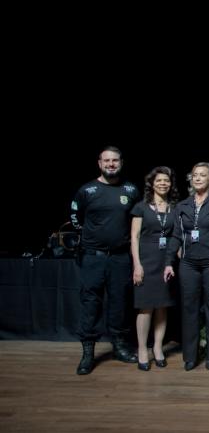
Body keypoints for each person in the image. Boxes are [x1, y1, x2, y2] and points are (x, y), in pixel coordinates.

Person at [70, 146, 142, 375]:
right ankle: (88, 353)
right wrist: (91, 239)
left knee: (120, 303)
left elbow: (137, 222)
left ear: (121, 163)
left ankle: (119, 347)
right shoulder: (87, 190)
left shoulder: (131, 190)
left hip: (120, 258)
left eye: (115, 160)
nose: (111, 164)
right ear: (99, 163)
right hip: (93, 257)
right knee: (90, 303)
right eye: (107, 160)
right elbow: (75, 218)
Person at [171, 162, 209, 371]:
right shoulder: (182, 205)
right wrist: (169, 262)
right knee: (189, 309)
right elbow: (176, 236)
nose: (197, 178)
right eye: (195, 175)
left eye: (202, 175)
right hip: (188, 264)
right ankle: (190, 356)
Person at [130, 166, 180, 371]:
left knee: (162, 305)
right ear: (151, 183)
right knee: (146, 307)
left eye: (166, 181)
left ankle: (158, 347)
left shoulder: (174, 208)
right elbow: (134, 237)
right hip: (146, 260)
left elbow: (176, 236)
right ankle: (143, 349)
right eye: (159, 180)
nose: (163, 183)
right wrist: (137, 265)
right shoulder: (141, 207)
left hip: (166, 261)